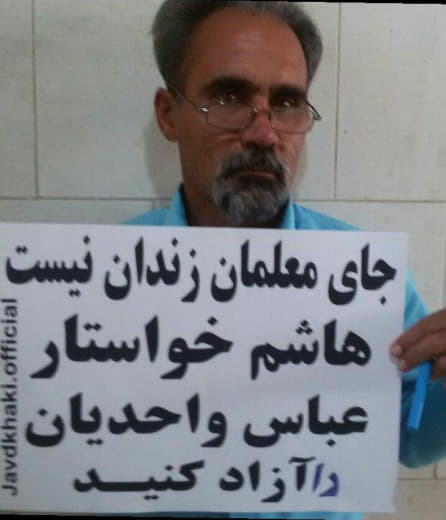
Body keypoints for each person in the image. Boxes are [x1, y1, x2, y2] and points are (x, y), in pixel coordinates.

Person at [128, 1, 446, 518]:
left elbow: (413, 442)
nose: (264, 132)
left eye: (287, 103)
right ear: (169, 115)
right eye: (229, 98)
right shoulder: (93, 280)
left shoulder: (363, 277)